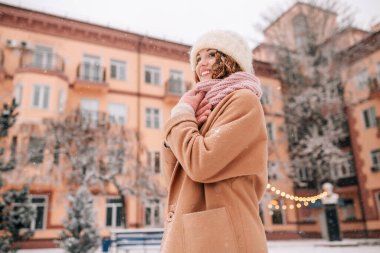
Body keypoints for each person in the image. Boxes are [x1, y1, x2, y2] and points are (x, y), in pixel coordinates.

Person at [161, 30, 268, 253]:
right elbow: (173, 177)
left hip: (225, 236)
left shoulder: (243, 100)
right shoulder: (202, 108)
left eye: (211, 54)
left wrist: (181, 117)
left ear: (232, 60)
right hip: (196, 232)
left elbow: (202, 164)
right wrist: (180, 127)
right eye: (198, 58)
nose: (202, 63)